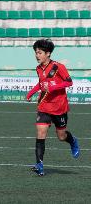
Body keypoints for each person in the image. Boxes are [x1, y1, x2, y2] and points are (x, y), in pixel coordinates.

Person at [26, 39, 80, 176]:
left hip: (59, 107)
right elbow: (41, 83)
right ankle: (39, 164)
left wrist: (53, 86)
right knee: (40, 133)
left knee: (61, 136)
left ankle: (72, 140)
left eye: (39, 52)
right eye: (36, 53)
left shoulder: (58, 67)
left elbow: (69, 82)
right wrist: (31, 93)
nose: (37, 55)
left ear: (48, 53)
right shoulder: (38, 68)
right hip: (44, 106)